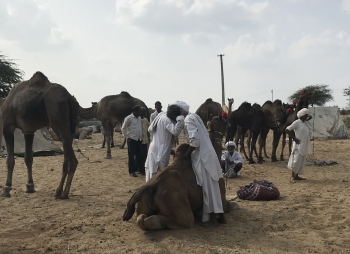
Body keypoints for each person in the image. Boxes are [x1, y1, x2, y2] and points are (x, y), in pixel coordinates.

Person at [176, 101, 224, 227]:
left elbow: (195, 141)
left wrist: (186, 155)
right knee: (214, 186)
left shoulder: (188, 120)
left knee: (208, 188)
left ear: (181, 111)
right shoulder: (195, 117)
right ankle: (220, 216)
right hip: (208, 153)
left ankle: (213, 220)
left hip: (202, 157)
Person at [145, 104, 184, 182]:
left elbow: (163, 138)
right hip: (161, 151)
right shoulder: (166, 120)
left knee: (152, 173)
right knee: (158, 175)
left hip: (156, 148)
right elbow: (175, 132)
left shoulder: (162, 117)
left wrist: (170, 150)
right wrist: (181, 119)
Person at [285, 108, 312, 181]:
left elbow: (310, 118)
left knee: (300, 161)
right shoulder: (297, 122)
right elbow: (287, 130)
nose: (307, 117)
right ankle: (292, 176)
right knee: (295, 161)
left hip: (303, 145)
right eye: (306, 115)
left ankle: (296, 176)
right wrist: (294, 139)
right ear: (303, 115)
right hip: (298, 145)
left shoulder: (304, 123)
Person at [121, 105, 145, 177]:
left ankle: (141, 170)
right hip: (132, 139)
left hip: (139, 139)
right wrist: (127, 137)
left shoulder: (139, 118)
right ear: (135, 111)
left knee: (140, 156)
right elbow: (123, 128)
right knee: (131, 156)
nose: (140, 112)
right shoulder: (128, 118)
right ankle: (132, 171)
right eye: (139, 110)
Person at [140, 107, 150, 172]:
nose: (143, 113)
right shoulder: (137, 120)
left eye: (144, 111)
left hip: (145, 140)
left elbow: (149, 128)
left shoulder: (146, 120)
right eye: (142, 111)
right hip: (138, 140)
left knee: (145, 154)